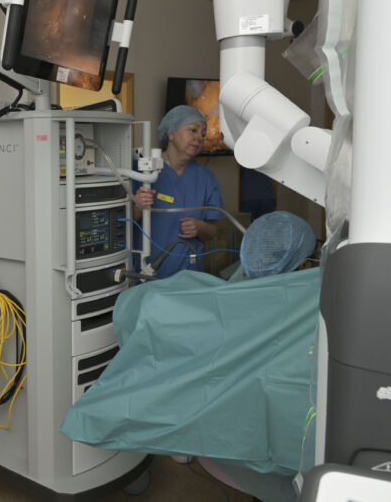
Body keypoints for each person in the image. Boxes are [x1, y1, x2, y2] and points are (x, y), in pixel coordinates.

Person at [61, 211, 319, 502]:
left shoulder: (214, 302)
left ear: (249, 250)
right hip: (284, 459)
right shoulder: (310, 308)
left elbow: (137, 307)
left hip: (225, 446)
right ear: (303, 264)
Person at [133, 104, 224, 277]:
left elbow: (212, 231)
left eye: (203, 134)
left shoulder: (206, 179)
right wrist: (137, 206)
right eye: (193, 130)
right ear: (171, 133)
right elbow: (121, 221)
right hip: (150, 271)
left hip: (190, 273)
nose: (199, 138)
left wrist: (201, 227)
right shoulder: (143, 171)